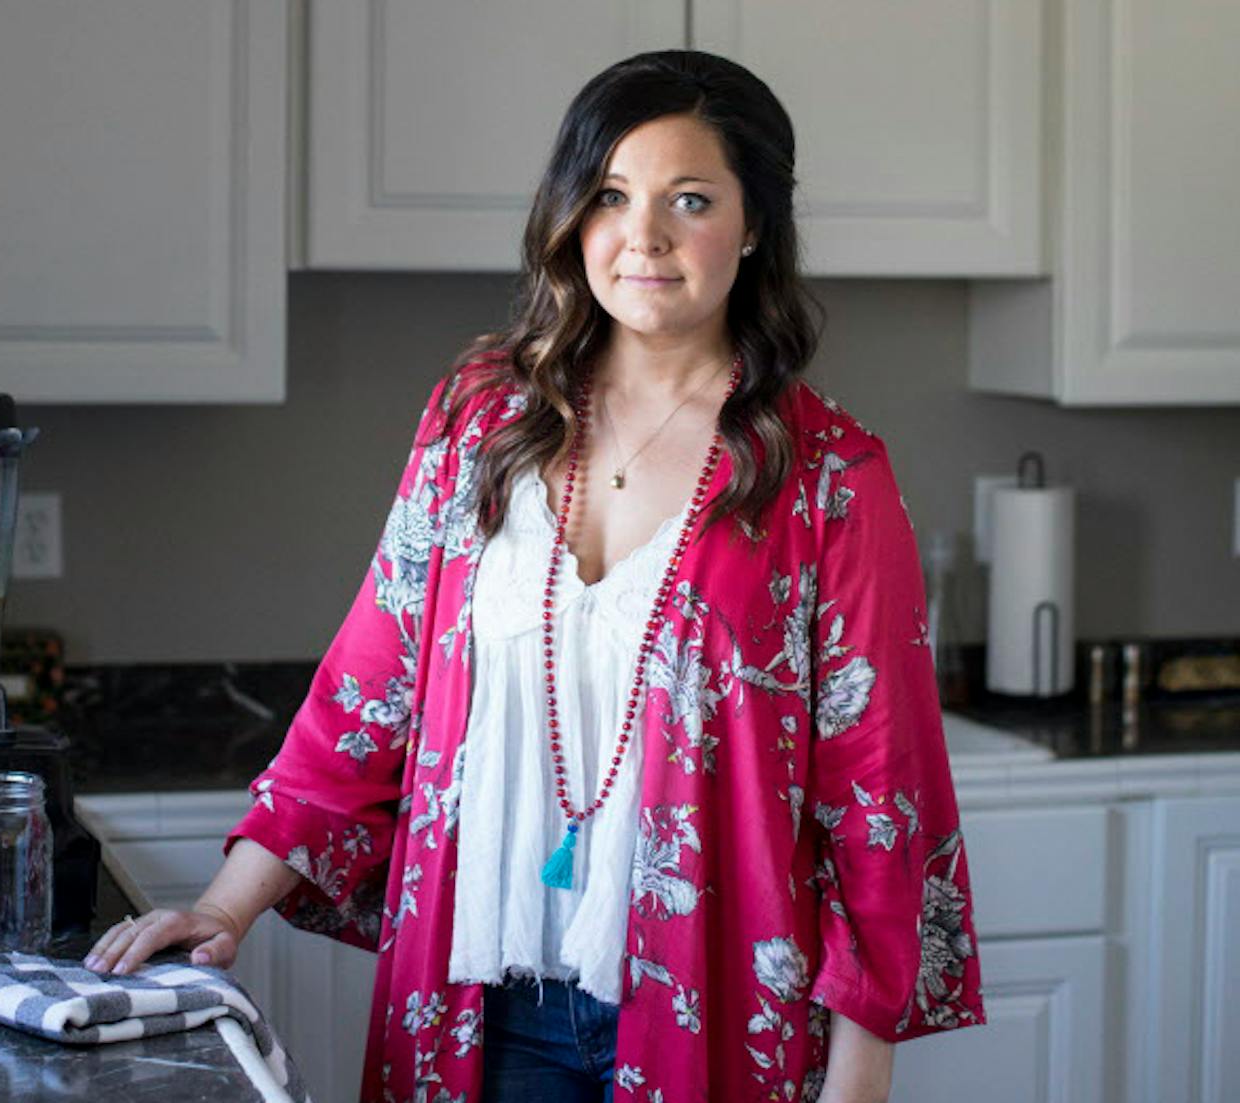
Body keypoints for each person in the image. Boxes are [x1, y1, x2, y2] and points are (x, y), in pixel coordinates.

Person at [86, 49, 985, 1103]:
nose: (642, 235)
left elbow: (882, 794)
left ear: (752, 227)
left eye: (688, 199)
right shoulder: (480, 420)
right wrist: (226, 907)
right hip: (481, 1010)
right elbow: (366, 692)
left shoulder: (830, 477)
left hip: (723, 1016)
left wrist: (858, 1077)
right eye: (610, 195)